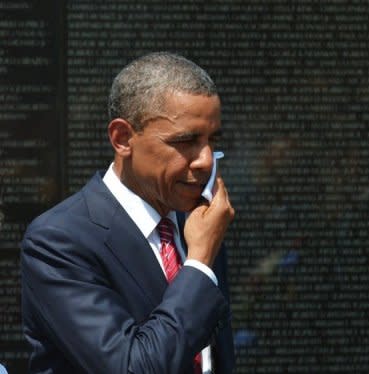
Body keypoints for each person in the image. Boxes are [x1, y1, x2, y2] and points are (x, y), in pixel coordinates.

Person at [20, 52, 235, 373]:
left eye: (211, 140)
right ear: (122, 139)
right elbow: (130, 366)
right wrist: (199, 264)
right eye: (186, 141)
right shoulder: (58, 241)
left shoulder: (198, 222)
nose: (205, 160)